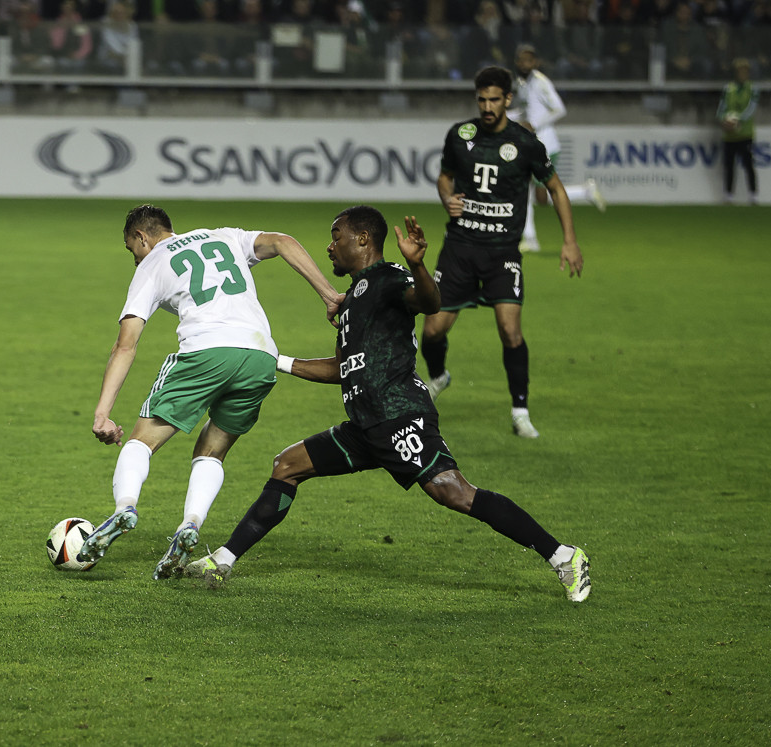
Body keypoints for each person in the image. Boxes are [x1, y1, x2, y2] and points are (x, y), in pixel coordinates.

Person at [185, 206, 591, 603]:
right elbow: (343, 368)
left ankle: (563, 556)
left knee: (454, 492)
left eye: (336, 237)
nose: (330, 247)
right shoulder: (352, 300)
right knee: (287, 465)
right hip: (364, 425)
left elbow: (429, 303)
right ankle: (222, 560)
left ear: (363, 239)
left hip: (400, 415)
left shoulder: (389, 276)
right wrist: (276, 360)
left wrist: (417, 264)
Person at [79, 204, 343, 580]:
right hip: (260, 357)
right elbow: (283, 241)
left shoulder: (152, 264)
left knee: (141, 441)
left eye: (131, 249)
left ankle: (125, 507)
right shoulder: (223, 236)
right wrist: (329, 295)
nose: (134, 258)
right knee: (212, 450)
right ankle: (191, 523)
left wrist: (102, 414)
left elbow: (125, 345)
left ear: (141, 237)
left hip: (206, 352)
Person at [421, 66, 586, 439]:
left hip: (502, 254)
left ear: (508, 99)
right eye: (481, 100)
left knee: (510, 332)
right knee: (432, 330)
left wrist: (569, 240)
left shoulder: (525, 144)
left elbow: (556, 189)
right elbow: (445, 177)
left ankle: (520, 412)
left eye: (494, 100)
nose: (487, 107)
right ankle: (438, 376)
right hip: (459, 249)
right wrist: (447, 198)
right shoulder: (460, 135)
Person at [509, 43, 606, 253]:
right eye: (521, 60)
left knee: (538, 195)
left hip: (545, 145)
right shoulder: (522, 83)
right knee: (532, 194)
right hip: (534, 144)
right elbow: (526, 113)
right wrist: (506, 117)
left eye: (529, 60)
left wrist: (535, 124)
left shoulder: (540, 82)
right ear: (516, 62)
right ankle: (531, 239)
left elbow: (559, 109)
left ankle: (584, 192)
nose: (524, 64)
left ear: (536, 62)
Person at [717, 57, 758, 205]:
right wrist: (724, 120)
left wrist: (737, 120)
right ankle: (729, 195)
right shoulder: (728, 89)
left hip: (745, 134)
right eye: (740, 71)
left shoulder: (752, 89)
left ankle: (753, 195)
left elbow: (751, 109)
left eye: (745, 71)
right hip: (729, 135)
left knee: (748, 165)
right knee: (729, 166)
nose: (742, 74)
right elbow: (721, 108)